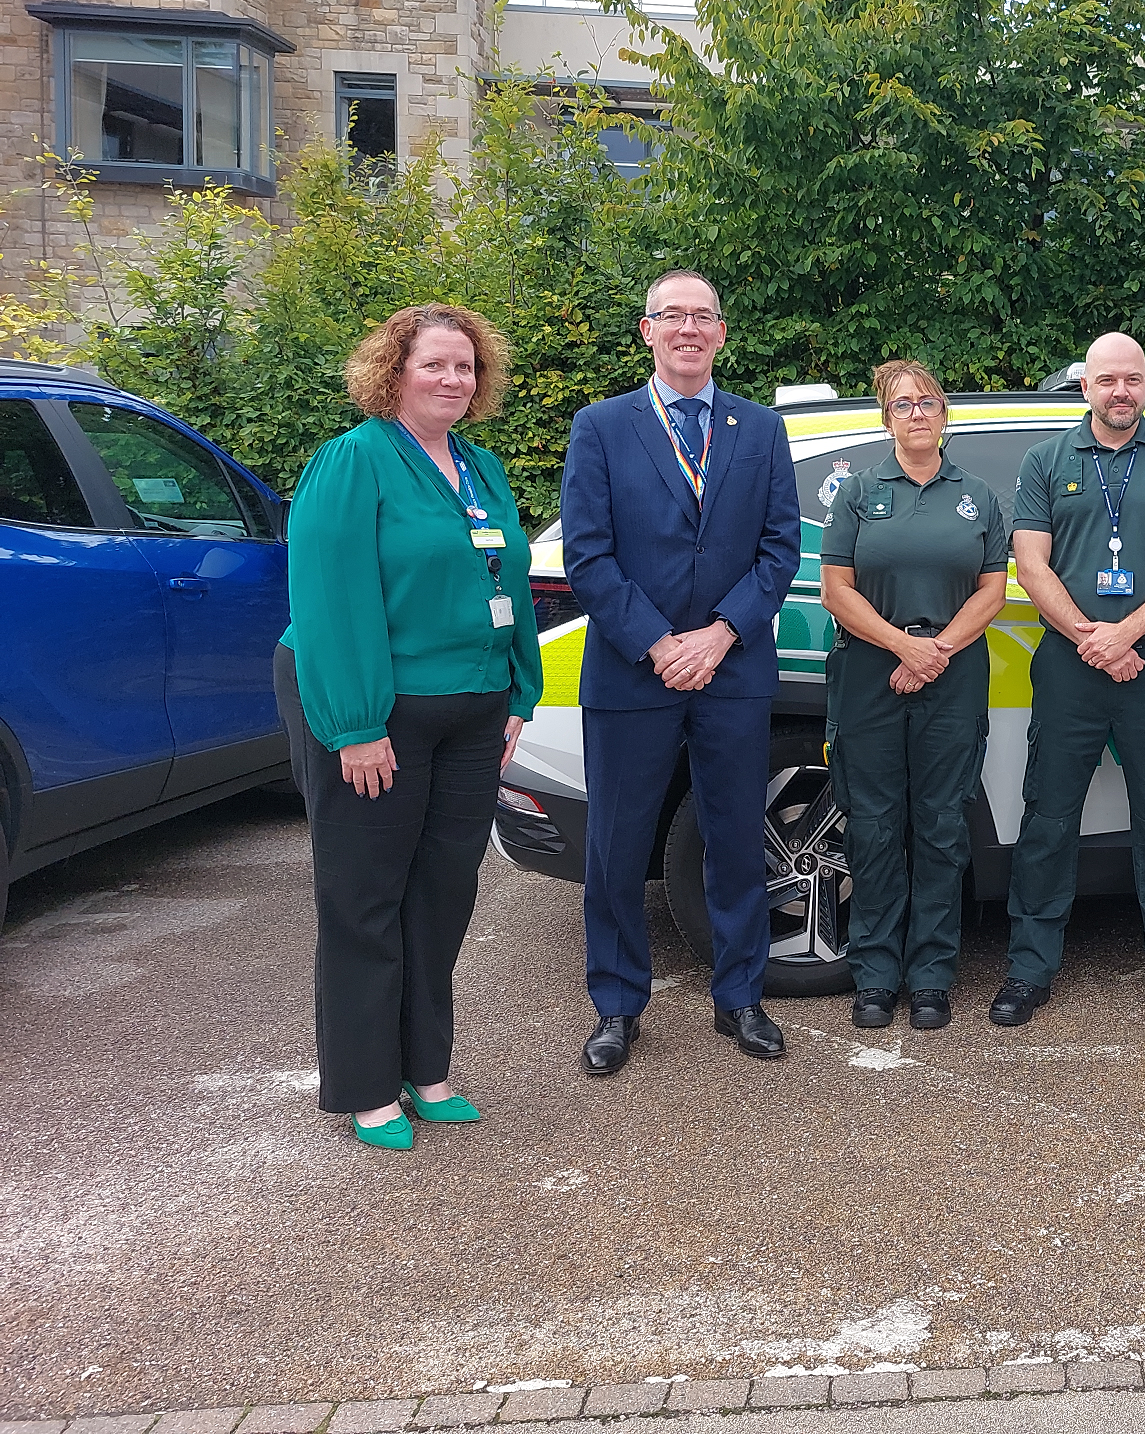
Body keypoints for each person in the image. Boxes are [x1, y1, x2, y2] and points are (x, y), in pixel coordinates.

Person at [275, 303, 544, 1151]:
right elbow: (330, 601)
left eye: (465, 367)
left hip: (471, 711)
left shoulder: (480, 467)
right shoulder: (352, 462)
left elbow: (514, 586)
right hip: (371, 708)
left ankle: (426, 1069)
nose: (453, 380)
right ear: (393, 371)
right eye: (435, 365)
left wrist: (518, 695)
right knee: (365, 896)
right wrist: (354, 726)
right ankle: (364, 1086)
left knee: (442, 894)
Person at [559, 270, 802, 1074]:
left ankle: (741, 998)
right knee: (618, 847)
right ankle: (617, 1007)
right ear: (648, 331)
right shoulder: (600, 426)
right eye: (674, 317)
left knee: (735, 839)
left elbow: (780, 551)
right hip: (634, 672)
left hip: (732, 670)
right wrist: (663, 644)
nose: (689, 329)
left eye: (704, 316)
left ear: (722, 333)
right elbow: (586, 554)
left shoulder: (760, 430)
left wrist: (723, 633)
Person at [997, 331, 1145, 1028]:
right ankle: (1029, 970)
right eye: (1106, 381)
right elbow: (1030, 564)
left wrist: (1126, 634)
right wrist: (1093, 639)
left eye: (1133, 380)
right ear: (1084, 386)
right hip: (1069, 665)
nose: (1120, 392)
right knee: (1049, 817)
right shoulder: (1045, 459)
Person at [818, 360, 1010, 1032]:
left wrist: (935, 653)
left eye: (928, 401)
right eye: (902, 404)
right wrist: (904, 648)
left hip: (952, 675)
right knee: (872, 828)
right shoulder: (858, 492)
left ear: (944, 413)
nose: (917, 412)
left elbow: (993, 591)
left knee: (941, 828)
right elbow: (835, 589)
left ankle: (930, 977)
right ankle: (874, 976)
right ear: (886, 418)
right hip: (871, 674)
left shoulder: (978, 496)